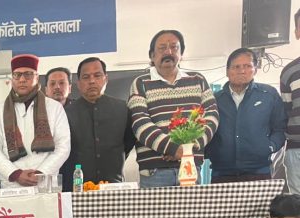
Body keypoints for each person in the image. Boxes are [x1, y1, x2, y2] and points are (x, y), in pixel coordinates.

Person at [128, 30, 218, 187]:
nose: (168, 52)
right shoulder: (140, 83)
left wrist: (187, 150)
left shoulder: (198, 80)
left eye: (174, 47)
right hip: (155, 171)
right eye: (162, 48)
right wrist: (173, 149)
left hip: (191, 167)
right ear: (152, 55)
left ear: (181, 54)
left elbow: (212, 117)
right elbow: (140, 123)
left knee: (193, 206)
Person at [0, 54, 71, 189]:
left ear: (37, 77)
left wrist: (41, 173)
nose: (22, 79)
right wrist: (15, 174)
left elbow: (63, 147)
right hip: (12, 185)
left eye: (28, 74)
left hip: (45, 183)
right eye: (17, 75)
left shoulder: (54, 107)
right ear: (12, 78)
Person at [206, 48, 286, 182]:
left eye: (247, 66)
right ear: (227, 71)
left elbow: (280, 128)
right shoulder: (214, 100)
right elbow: (205, 130)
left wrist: (270, 146)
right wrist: (213, 152)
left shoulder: (269, 95)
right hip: (222, 172)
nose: (241, 71)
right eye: (236, 67)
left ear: (255, 69)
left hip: (259, 171)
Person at [64, 57, 135, 189]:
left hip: (113, 185)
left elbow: (128, 142)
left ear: (106, 79)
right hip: (77, 188)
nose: (92, 81)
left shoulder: (122, 109)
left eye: (97, 75)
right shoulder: (66, 113)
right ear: (78, 83)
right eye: (86, 77)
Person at [281, 8, 300, 194]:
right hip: (296, 150)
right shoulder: (289, 72)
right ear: (297, 32)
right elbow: (286, 112)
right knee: (297, 204)